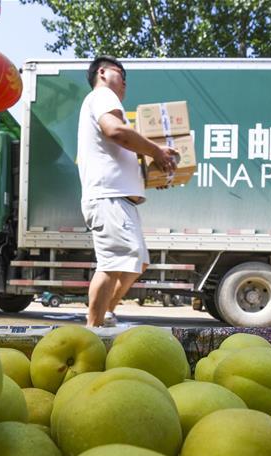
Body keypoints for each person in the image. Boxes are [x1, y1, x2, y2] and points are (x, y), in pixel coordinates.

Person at [77, 56, 180, 327]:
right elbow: (115, 131)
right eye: (121, 74)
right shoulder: (103, 95)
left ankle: (105, 313)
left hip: (118, 199)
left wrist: (155, 168)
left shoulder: (105, 100)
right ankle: (93, 329)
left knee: (138, 261)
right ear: (102, 73)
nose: (124, 82)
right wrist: (156, 150)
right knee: (112, 264)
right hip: (107, 197)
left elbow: (121, 144)